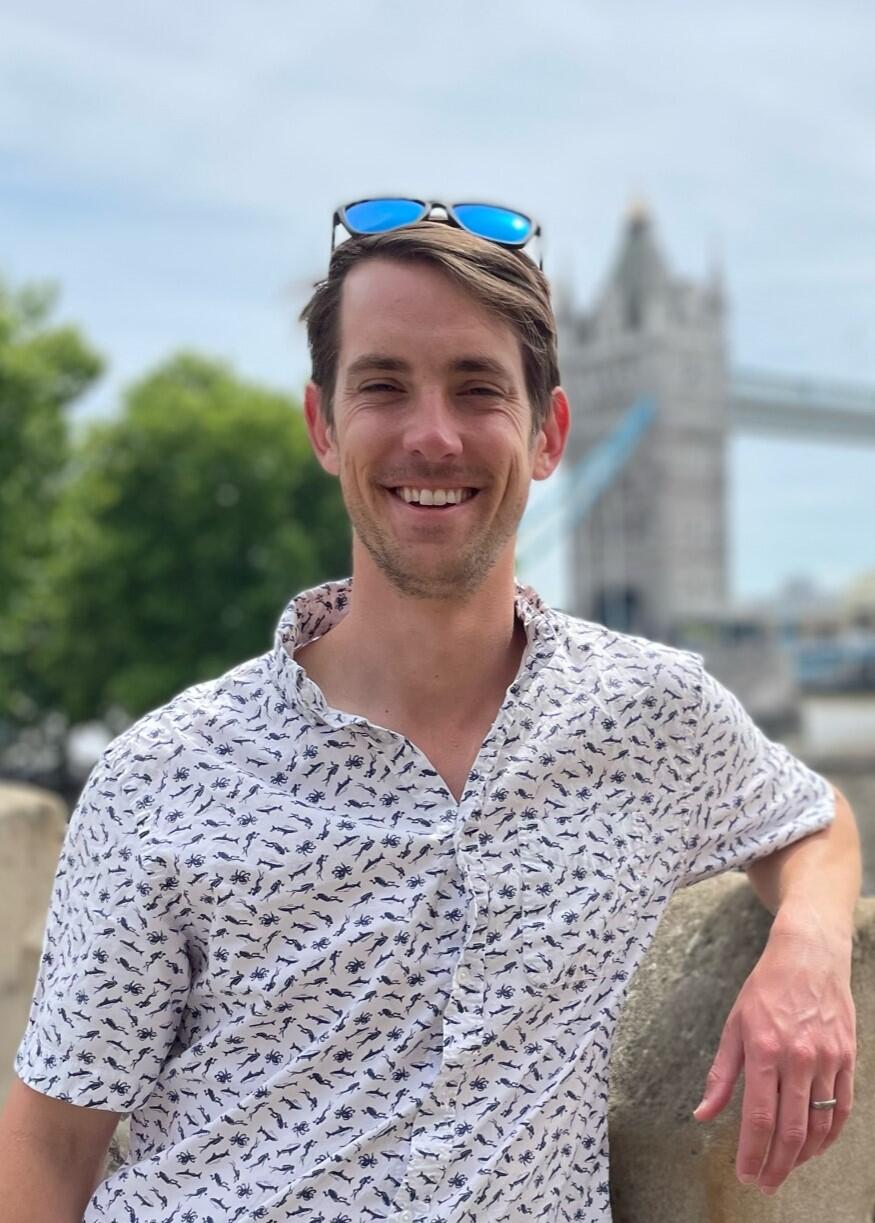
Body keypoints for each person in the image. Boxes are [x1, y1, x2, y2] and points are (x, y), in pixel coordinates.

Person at [0, 198, 861, 1223]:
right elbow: (50, 1149)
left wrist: (808, 951)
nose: (432, 434)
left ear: (548, 433)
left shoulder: (647, 715)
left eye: (476, 388)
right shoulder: (158, 777)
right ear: (323, 426)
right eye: (382, 386)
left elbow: (809, 818)